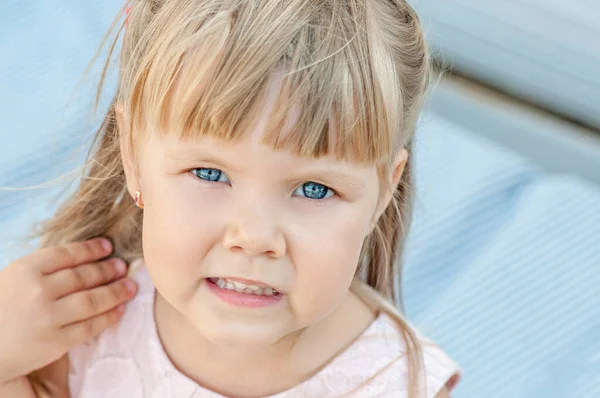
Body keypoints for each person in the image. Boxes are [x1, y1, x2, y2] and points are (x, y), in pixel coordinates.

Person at [0, 0, 461, 396]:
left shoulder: (398, 385)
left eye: (315, 188)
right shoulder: (79, 330)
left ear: (384, 191)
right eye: (209, 173)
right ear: (134, 156)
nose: (255, 237)